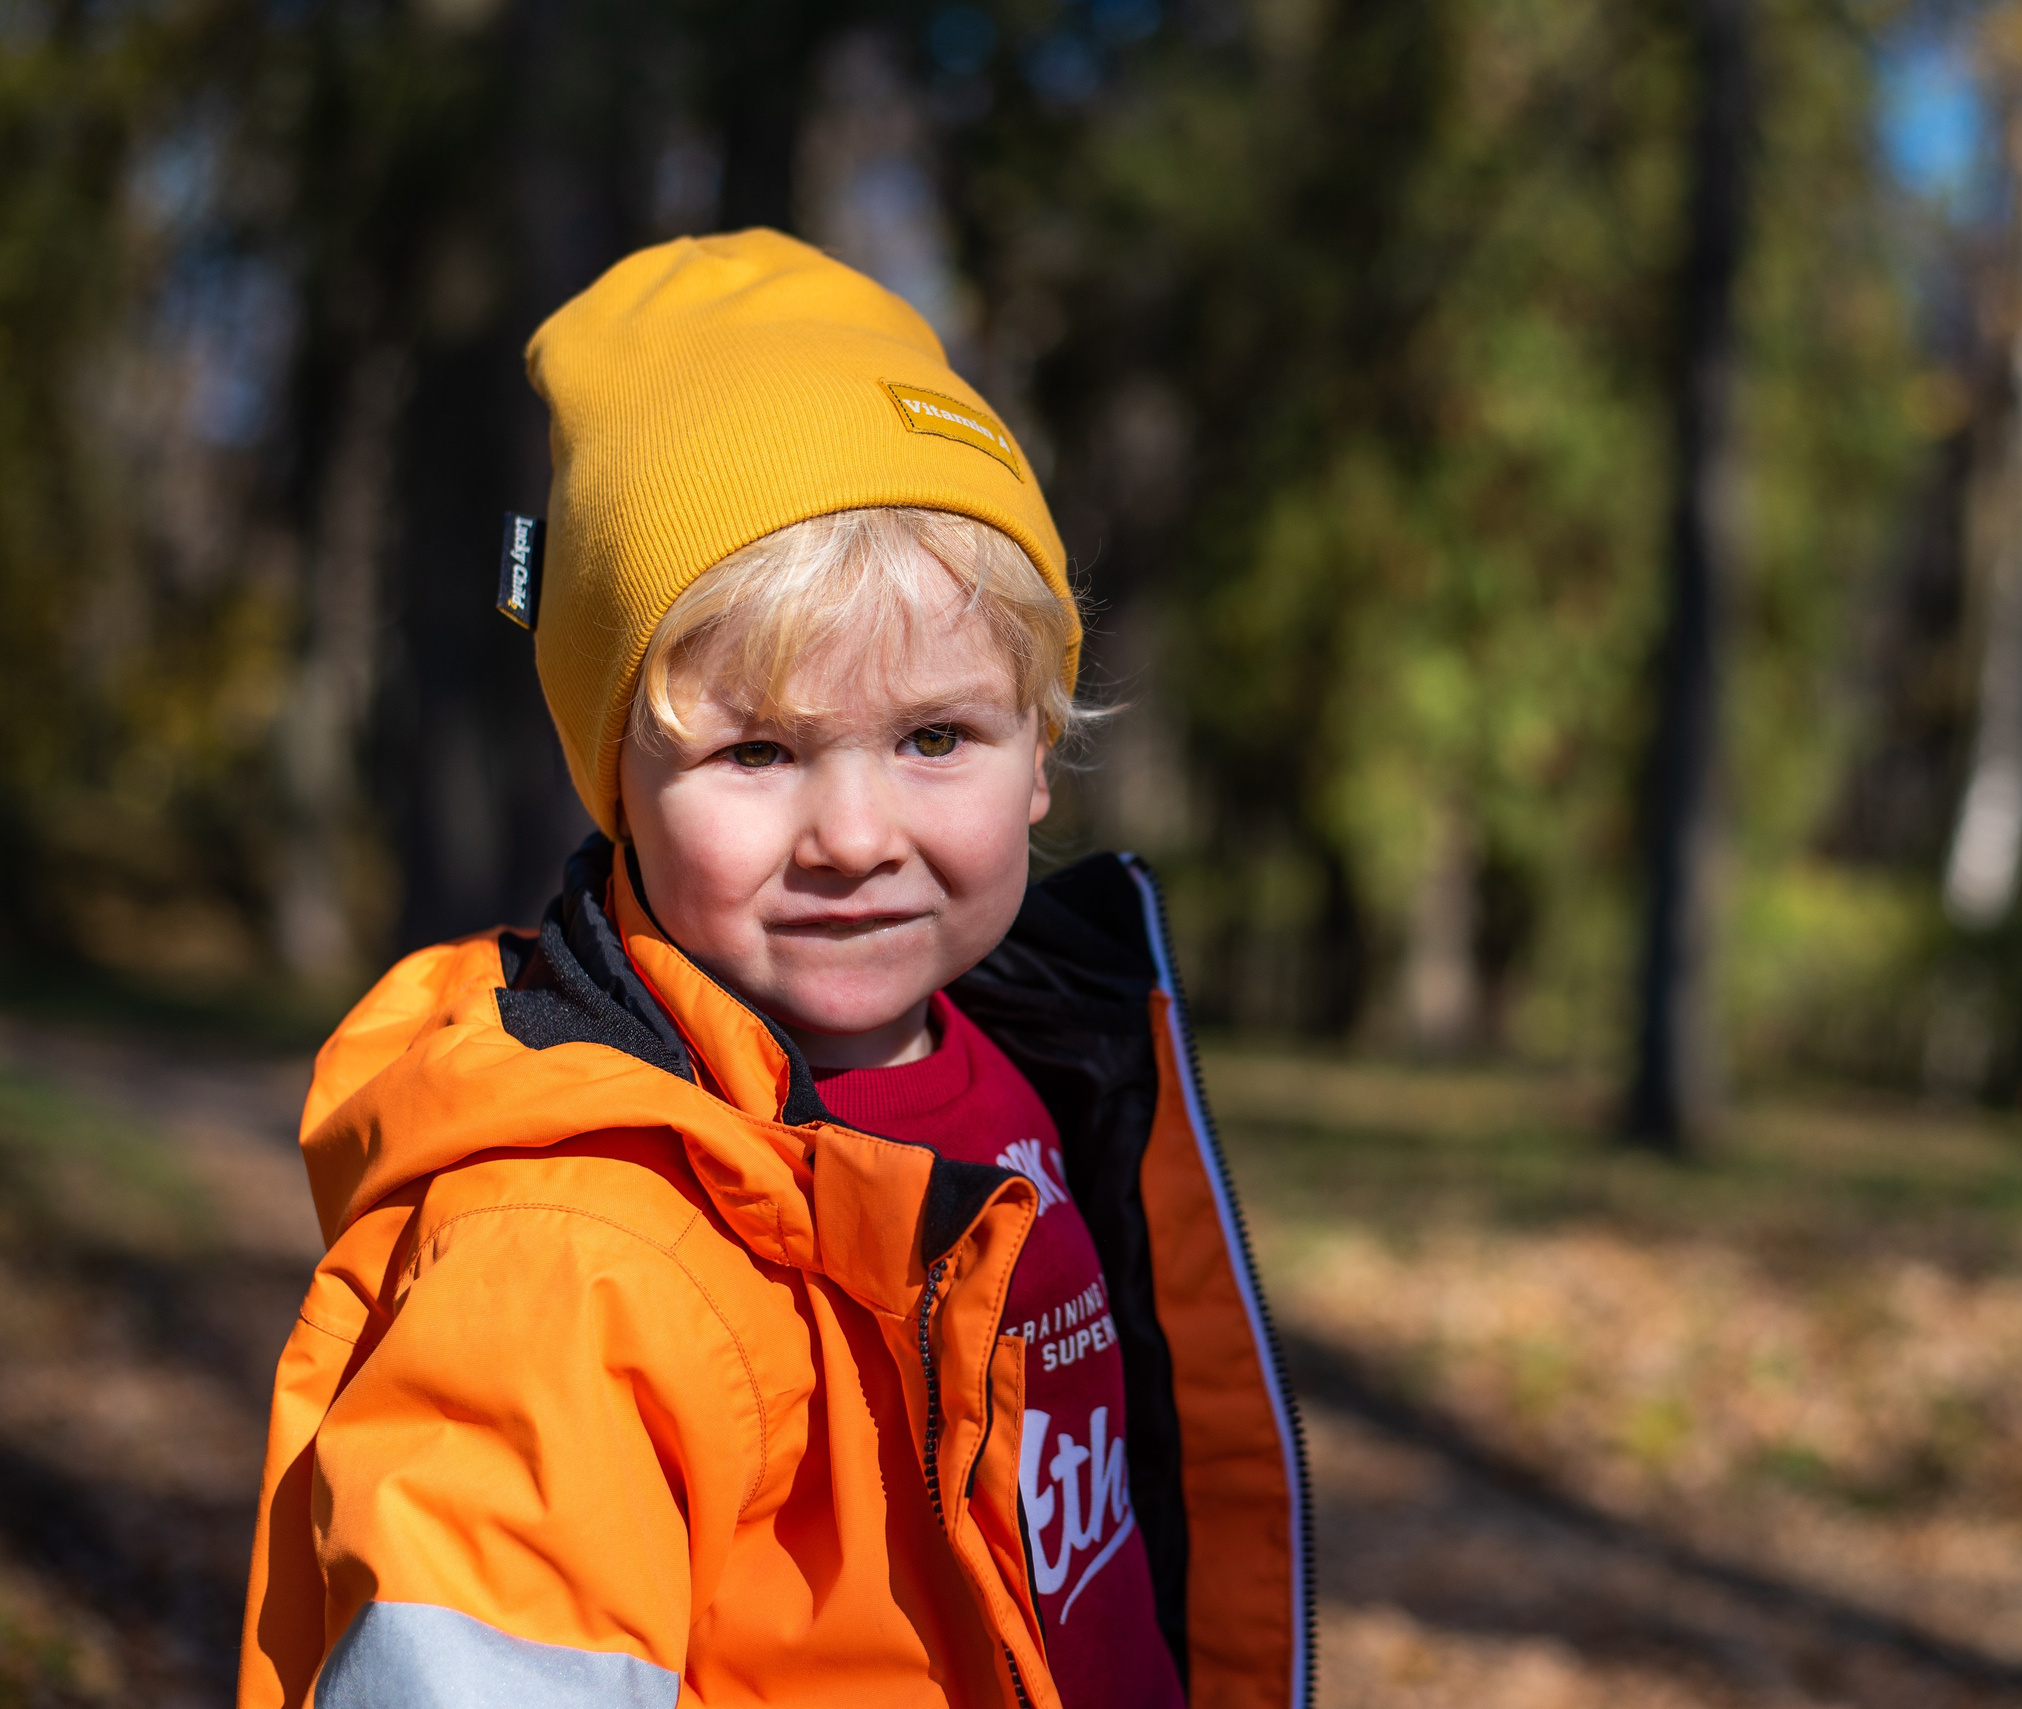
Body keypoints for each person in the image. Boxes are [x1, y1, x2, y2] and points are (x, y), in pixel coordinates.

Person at [236, 230, 1311, 1709]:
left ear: (1040, 755)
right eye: (758, 751)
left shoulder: (1034, 1064)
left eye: (935, 737)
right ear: (619, 780)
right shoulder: (577, 1247)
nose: (855, 836)